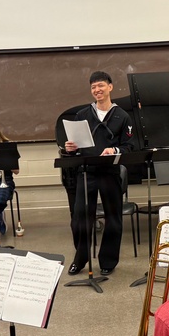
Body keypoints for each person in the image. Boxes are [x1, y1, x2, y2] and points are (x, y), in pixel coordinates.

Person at [62, 71, 135, 277]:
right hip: (86, 172)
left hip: (110, 172)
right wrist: (71, 148)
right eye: (93, 87)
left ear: (110, 87)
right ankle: (80, 258)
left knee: (113, 218)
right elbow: (76, 146)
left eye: (101, 85)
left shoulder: (123, 116)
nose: (97, 90)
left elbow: (129, 146)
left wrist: (115, 150)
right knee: (79, 218)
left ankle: (108, 261)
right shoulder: (82, 115)